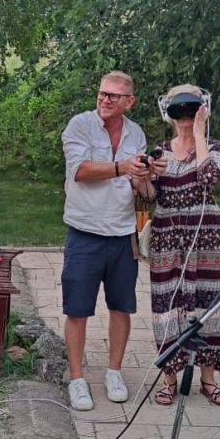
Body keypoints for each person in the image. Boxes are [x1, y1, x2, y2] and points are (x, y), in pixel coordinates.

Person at [60, 71, 153, 411]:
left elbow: (136, 185)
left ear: (130, 101)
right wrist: (122, 167)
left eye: (114, 95)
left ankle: (114, 372)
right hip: (84, 232)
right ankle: (77, 378)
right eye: (102, 93)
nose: (105, 99)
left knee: (121, 306)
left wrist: (142, 176)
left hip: (123, 233)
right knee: (77, 309)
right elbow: (80, 171)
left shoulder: (135, 133)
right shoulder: (80, 125)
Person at [146, 85, 220, 407]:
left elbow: (209, 178)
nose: (184, 115)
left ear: (203, 108)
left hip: (207, 237)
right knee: (167, 306)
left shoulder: (213, 146)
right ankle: (169, 378)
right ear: (167, 113)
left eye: (191, 108)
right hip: (168, 237)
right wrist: (142, 176)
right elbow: (147, 198)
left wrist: (198, 132)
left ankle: (208, 379)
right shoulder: (159, 151)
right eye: (178, 109)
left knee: (211, 304)